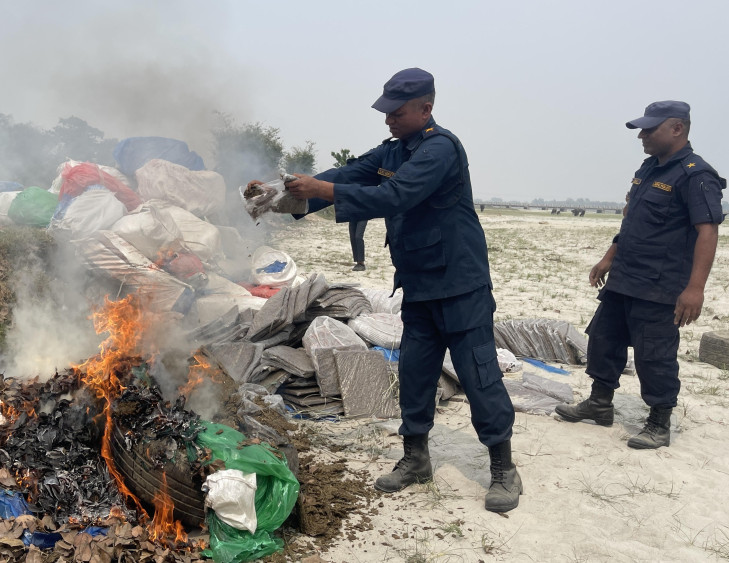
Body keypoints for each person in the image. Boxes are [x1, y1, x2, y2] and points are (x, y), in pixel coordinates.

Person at [265, 67, 520, 512]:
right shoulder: (393, 150)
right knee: (416, 374)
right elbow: (349, 174)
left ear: (427, 108)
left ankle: (503, 467)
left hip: (459, 286)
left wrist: (320, 187)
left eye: (396, 113)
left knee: (479, 375)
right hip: (420, 286)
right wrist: (280, 193)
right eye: (385, 113)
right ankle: (415, 458)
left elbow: (396, 196)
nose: (388, 121)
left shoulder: (441, 149)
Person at [555, 101, 725, 448]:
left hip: (660, 285)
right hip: (625, 277)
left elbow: (707, 232)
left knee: (654, 355)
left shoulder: (696, 174)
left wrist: (695, 289)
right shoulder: (649, 169)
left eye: (650, 129)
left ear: (677, 128)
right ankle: (600, 404)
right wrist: (608, 258)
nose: (643, 136)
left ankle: (659, 422)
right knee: (604, 341)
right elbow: (633, 221)